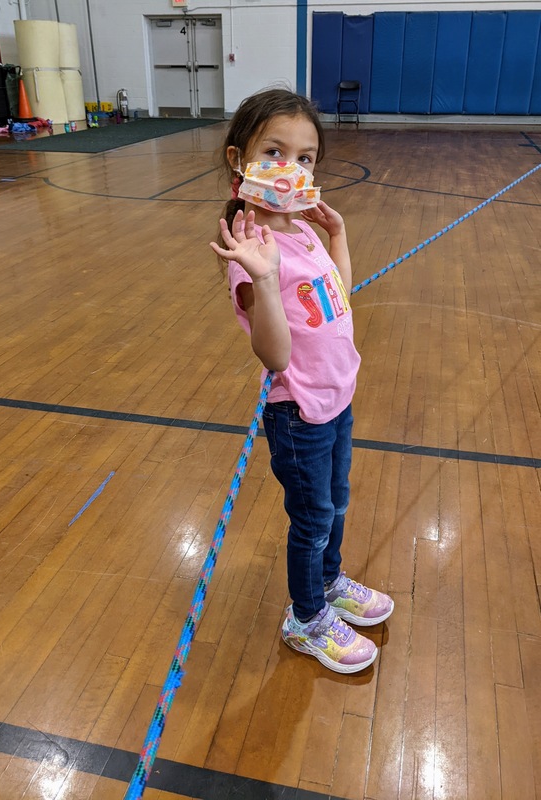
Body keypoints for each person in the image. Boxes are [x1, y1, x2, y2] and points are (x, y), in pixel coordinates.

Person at [210, 88, 393, 674]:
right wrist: (263, 280)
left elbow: (334, 296)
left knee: (335, 504)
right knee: (313, 517)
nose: (292, 166)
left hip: (336, 397)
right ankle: (307, 617)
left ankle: (330, 581)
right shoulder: (250, 248)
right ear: (241, 160)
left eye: (306, 156)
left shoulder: (304, 227)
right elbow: (275, 353)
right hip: (300, 411)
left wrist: (336, 237)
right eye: (275, 150)